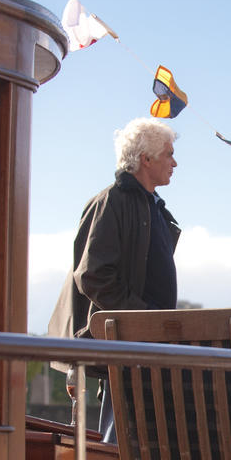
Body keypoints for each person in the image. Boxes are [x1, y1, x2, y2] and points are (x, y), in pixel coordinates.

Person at [48, 117, 180, 442]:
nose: (174, 162)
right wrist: (143, 317)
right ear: (146, 159)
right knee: (121, 439)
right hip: (126, 345)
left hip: (145, 345)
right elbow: (92, 276)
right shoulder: (114, 202)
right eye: (168, 154)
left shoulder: (151, 206)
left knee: (140, 438)